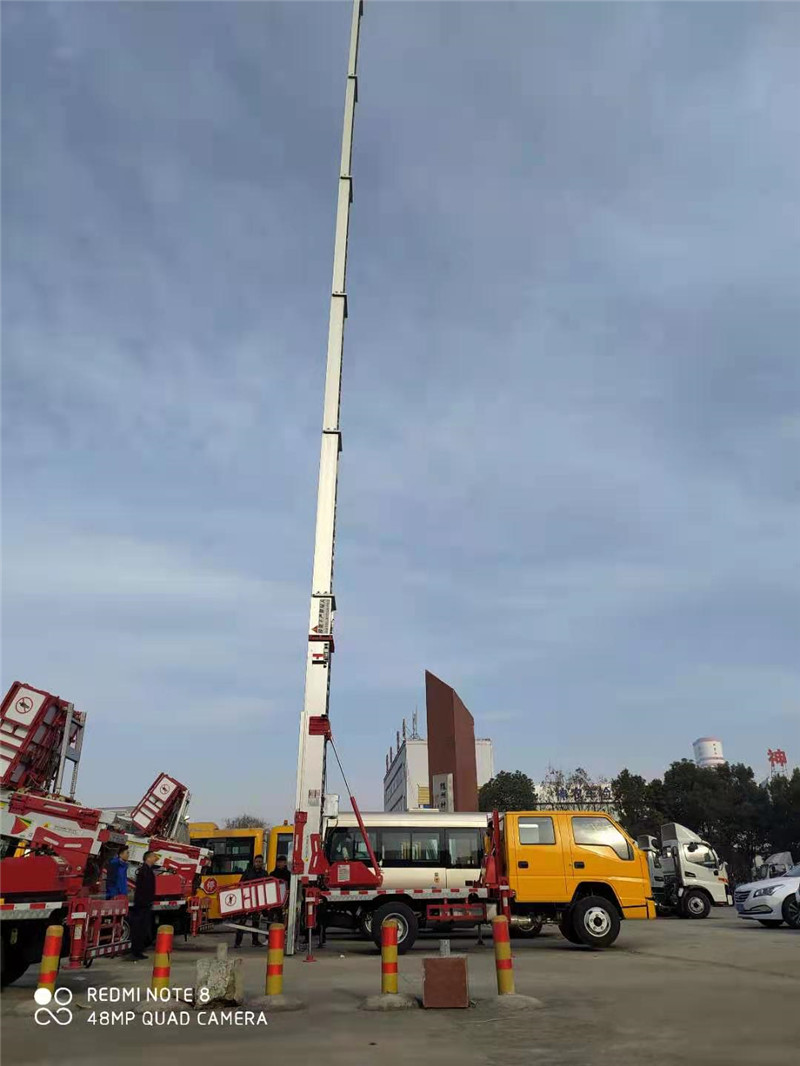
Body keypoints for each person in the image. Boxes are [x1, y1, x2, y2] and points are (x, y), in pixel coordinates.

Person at [130, 850, 158, 960]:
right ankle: (136, 951)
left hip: (144, 903)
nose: (155, 858)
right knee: (140, 928)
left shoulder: (147, 870)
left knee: (143, 928)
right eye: (154, 856)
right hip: (143, 904)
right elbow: (144, 889)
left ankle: (138, 950)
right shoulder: (144, 871)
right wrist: (146, 901)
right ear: (148, 858)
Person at [234, 854, 266, 948]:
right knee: (242, 922)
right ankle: (237, 942)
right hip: (247, 901)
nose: (258, 863)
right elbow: (241, 883)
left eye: (260, 862)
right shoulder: (248, 872)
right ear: (254, 862)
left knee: (255, 922)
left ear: (262, 863)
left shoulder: (264, 873)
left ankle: (255, 941)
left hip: (257, 901)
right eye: (256, 862)